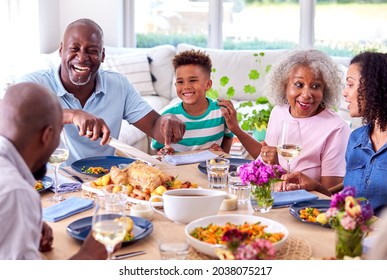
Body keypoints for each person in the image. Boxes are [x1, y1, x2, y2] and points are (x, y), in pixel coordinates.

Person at [18, 18, 185, 164]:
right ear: (61, 50)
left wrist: (167, 122)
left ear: (102, 55)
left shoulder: (118, 85)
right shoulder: (35, 83)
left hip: (102, 182)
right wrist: (73, 115)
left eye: (91, 51)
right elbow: (13, 114)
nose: (82, 57)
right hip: (53, 183)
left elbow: (154, 126)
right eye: (74, 49)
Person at [219, 49, 351, 195]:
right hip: (273, 195)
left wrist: (276, 168)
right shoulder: (279, 112)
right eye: (299, 84)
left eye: (316, 86)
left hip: (306, 208)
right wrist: (236, 129)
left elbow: (329, 194)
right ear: (285, 86)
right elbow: (266, 157)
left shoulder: (336, 128)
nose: (307, 95)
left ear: (325, 89)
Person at [0, 82, 107, 259]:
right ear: (47, 135)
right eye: (59, 132)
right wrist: (87, 257)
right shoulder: (15, 192)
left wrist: (20, 224)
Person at [151, 49, 234, 155]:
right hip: (178, 170)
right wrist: (163, 153)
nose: (186, 87)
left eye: (193, 80)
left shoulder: (221, 112)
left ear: (208, 85)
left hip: (208, 169)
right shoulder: (167, 117)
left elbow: (228, 136)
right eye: (180, 82)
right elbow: (156, 147)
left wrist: (223, 156)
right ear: (176, 85)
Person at [342, 51, 387, 215]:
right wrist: (313, 186)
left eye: (350, 84)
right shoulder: (356, 139)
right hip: (352, 233)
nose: (344, 93)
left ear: (373, 86)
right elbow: (347, 197)